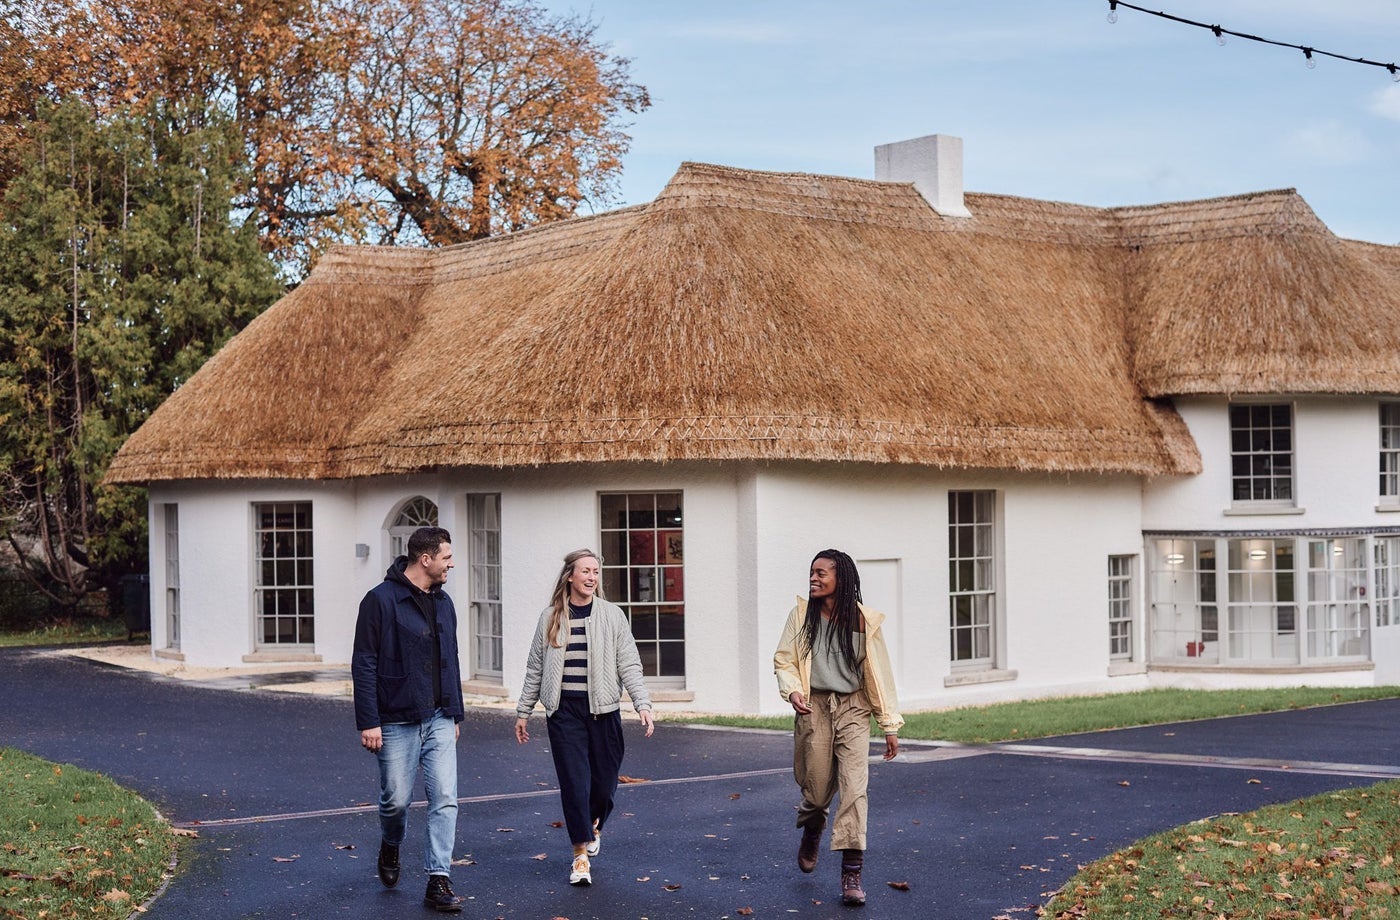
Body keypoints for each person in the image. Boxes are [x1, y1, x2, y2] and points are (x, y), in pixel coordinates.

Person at [514, 548, 655, 887]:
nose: (592, 577)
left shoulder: (612, 615)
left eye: (595, 571)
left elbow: (630, 664)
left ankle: (592, 825)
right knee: (575, 783)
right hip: (564, 712)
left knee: (605, 784)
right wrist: (523, 710)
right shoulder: (550, 617)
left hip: (604, 712)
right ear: (570, 576)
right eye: (586, 571)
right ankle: (580, 856)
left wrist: (642, 703)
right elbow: (536, 666)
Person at [773, 549, 902, 907]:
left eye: (821, 573)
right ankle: (813, 827)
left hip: (854, 709)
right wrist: (794, 690)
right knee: (815, 791)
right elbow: (784, 660)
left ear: (840, 579)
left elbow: (878, 677)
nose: (813, 578)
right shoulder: (801, 616)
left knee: (854, 789)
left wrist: (888, 723)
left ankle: (852, 870)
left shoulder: (864, 622)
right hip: (814, 707)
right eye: (811, 573)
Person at [352, 526, 466, 914]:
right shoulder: (380, 601)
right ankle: (391, 842)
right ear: (426, 559)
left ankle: (438, 879)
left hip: (438, 717)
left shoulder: (445, 602)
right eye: (447, 557)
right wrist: (369, 721)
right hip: (395, 719)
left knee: (445, 798)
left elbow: (449, 658)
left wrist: (454, 712)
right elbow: (364, 663)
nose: (452, 563)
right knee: (396, 801)